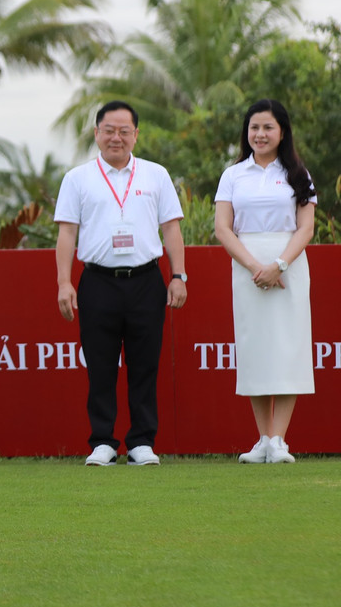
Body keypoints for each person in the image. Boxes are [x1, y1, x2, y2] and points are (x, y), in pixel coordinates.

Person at [55, 101, 188, 466]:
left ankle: (142, 441)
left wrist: (178, 275)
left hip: (146, 279)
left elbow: (171, 229)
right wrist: (64, 282)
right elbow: (67, 233)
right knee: (100, 364)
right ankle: (103, 441)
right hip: (97, 281)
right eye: (109, 130)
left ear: (136, 135)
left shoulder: (155, 175)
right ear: (97, 133)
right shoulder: (77, 179)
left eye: (124, 131)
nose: (116, 137)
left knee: (145, 364)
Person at [214, 99, 317, 464]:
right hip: (246, 268)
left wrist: (279, 265)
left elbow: (306, 227)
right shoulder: (233, 175)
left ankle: (279, 441)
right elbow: (223, 228)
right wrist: (255, 266)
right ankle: (262, 440)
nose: (260, 134)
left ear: (282, 132)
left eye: (268, 127)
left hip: (288, 264)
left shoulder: (298, 174)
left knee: (287, 349)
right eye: (254, 127)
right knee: (256, 350)